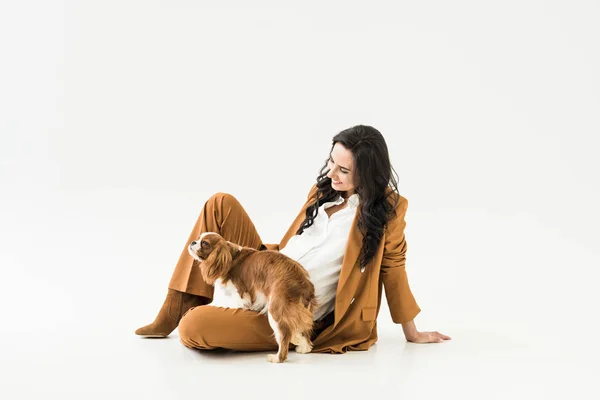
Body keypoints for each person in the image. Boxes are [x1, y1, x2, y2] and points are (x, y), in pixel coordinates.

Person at [135, 125, 451, 353]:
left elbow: (393, 269)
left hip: (291, 305)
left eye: (343, 169)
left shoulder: (389, 210)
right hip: (265, 269)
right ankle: (176, 306)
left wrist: (412, 332)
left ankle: (208, 313)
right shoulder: (323, 191)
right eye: (331, 162)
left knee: (195, 328)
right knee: (221, 203)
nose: (331, 174)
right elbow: (293, 245)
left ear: (368, 174)